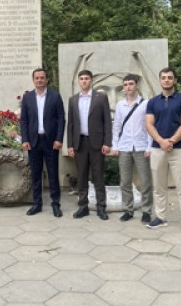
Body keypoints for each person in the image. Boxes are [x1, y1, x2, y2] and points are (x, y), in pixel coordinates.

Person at [145, 66, 181, 236]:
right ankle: (160, 217)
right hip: (157, 149)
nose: (166, 80)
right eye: (163, 77)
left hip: (178, 149)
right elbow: (149, 124)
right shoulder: (153, 102)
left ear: (175, 80)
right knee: (159, 187)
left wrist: (171, 141)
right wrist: (161, 141)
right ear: (160, 80)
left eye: (170, 77)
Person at [67, 70, 112, 221]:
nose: (84, 81)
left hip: (97, 143)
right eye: (81, 79)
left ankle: (101, 207)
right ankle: (83, 206)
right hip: (80, 143)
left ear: (91, 80)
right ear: (79, 81)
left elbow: (107, 121)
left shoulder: (101, 98)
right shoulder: (73, 100)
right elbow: (71, 124)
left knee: (98, 176)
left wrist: (107, 142)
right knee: (81, 176)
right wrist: (70, 145)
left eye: (86, 78)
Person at [20, 68, 66, 217]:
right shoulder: (27, 98)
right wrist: (25, 139)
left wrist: (59, 138)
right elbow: (24, 120)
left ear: (46, 79)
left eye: (42, 77)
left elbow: (61, 118)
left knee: (53, 174)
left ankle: (56, 204)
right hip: (33, 142)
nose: (39, 80)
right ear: (33, 80)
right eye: (37, 78)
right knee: (36, 174)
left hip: (51, 141)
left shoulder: (55, 96)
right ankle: (37, 204)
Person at [111, 74, 153, 223]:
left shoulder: (145, 104)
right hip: (124, 147)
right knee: (125, 182)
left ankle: (146, 211)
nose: (128, 87)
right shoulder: (120, 105)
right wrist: (115, 145)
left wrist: (149, 146)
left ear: (136, 85)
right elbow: (116, 126)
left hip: (141, 146)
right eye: (125, 84)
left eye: (131, 84)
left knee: (145, 181)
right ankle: (127, 210)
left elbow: (149, 126)